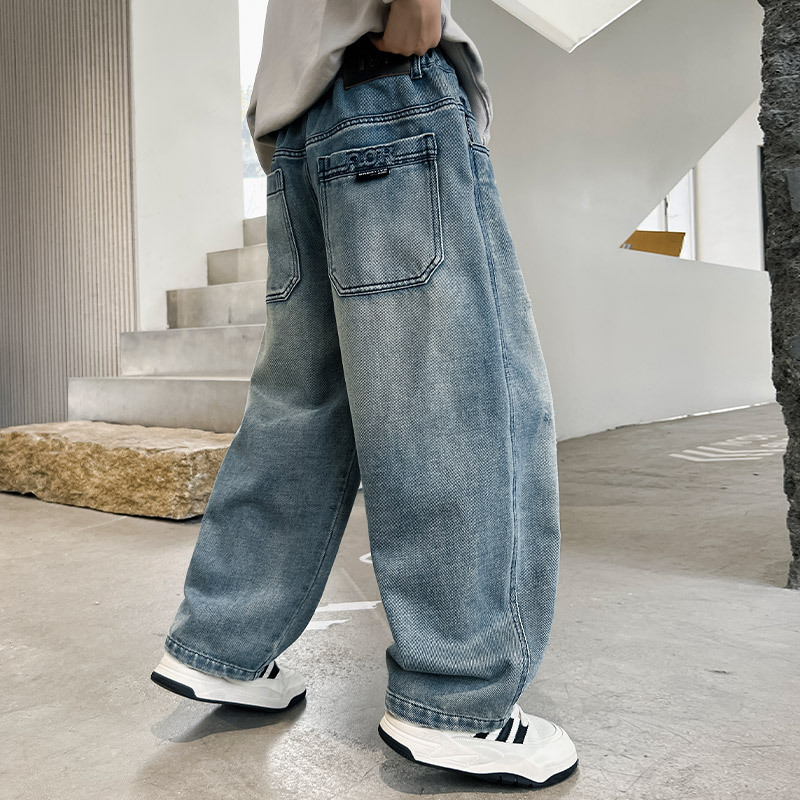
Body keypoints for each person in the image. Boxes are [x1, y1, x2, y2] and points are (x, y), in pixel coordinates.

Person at [151, 0, 578, 788]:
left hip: (299, 122)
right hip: (393, 89)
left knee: (303, 409)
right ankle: (458, 699)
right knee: (455, 401)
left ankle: (222, 644)